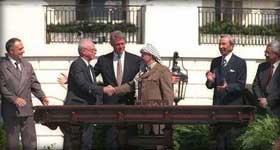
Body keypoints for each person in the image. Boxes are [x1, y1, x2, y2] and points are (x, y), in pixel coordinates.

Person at [114, 43, 174, 150]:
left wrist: (167, 114)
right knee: (147, 142)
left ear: (150, 55)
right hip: (145, 114)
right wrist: (114, 90)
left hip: (158, 115)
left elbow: (168, 94)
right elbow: (131, 85)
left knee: (160, 142)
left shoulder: (162, 70)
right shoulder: (142, 71)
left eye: (143, 55)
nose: (141, 57)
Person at [63, 38, 115, 150]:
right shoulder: (77, 64)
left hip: (88, 108)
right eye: (93, 49)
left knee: (87, 141)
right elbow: (83, 85)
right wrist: (103, 90)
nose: (95, 51)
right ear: (84, 51)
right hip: (77, 107)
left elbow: (90, 86)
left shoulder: (90, 67)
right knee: (73, 141)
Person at [93, 30, 141, 149]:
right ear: (112, 45)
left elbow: (145, 75)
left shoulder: (135, 60)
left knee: (131, 137)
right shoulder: (103, 60)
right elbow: (91, 75)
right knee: (110, 137)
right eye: (117, 44)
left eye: (122, 44)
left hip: (129, 102)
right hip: (110, 104)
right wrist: (74, 78)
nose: (120, 47)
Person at [0, 38, 49, 149]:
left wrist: (42, 97)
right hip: (11, 111)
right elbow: (2, 87)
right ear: (11, 51)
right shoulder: (2, 66)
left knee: (31, 144)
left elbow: (34, 84)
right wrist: (14, 99)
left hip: (27, 110)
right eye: (20, 49)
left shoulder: (27, 65)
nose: (23, 51)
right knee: (12, 144)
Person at [205, 34, 247, 150]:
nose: (221, 46)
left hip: (232, 108)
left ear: (231, 46)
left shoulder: (240, 62)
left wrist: (228, 87)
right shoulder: (215, 62)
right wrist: (210, 80)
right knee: (219, 141)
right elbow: (210, 85)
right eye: (220, 44)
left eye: (224, 44)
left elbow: (241, 85)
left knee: (231, 141)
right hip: (218, 107)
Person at [252, 40, 280, 116]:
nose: (265, 54)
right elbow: (255, 85)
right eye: (265, 52)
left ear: (277, 54)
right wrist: (260, 99)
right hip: (261, 110)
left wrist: (268, 101)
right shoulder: (262, 66)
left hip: (276, 110)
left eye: (268, 52)